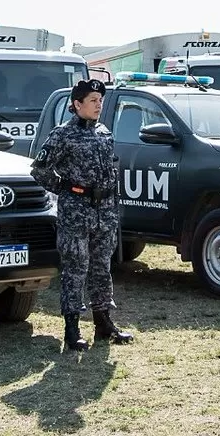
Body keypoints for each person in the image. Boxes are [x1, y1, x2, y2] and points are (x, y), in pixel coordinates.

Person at [31, 79, 133, 351]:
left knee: (102, 267)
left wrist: (112, 204)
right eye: (93, 101)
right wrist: (64, 188)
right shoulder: (62, 134)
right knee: (76, 269)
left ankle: (103, 322)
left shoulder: (103, 132)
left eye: (100, 100)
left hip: (104, 212)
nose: (99, 105)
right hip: (76, 211)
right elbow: (39, 169)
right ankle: (72, 328)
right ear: (77, 104)